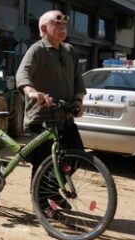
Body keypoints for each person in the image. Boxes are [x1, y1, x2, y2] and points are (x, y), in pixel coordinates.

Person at [15, 10, 86, 181]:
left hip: (65, 115)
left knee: (76, 156)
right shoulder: (37, 50)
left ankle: (51, 193)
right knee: (43, 163)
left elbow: (78, 80)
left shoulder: (69, 51)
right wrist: (32, 92)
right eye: (57, 23)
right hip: (43, 118)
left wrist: (78, 100)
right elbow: (23, 74)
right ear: (44, 28)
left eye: (64, 24)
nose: (63, 27)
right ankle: (42, 203)